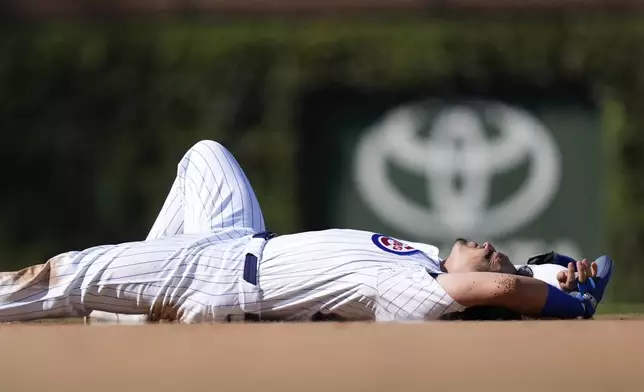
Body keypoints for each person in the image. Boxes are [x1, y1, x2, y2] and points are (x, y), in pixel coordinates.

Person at [0, 141, 612, 324]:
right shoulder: (424, 261)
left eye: (495, 257)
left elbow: (502, 295)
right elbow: (511, 286)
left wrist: (569, 306)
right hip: (232, 242)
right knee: (206, 156)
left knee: (63, 277)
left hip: (223, 280)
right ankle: (128, 313)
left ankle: (125, 299)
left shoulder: (417, 296)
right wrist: (550, 272)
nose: (487, 246)